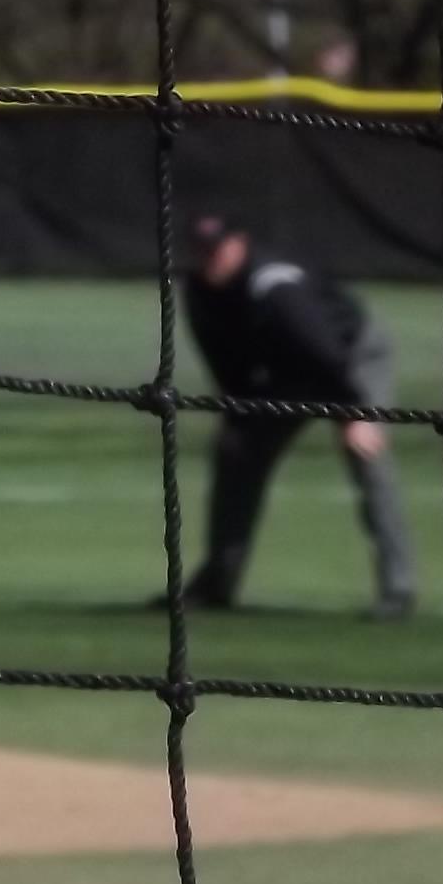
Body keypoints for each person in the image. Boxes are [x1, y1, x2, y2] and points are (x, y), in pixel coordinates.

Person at [177, 213, 413, 618]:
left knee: (366, 458)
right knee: (236, 453)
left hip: (351, 359)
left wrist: (355, 414)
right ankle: (217, 583)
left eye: (217, 249)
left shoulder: (276, 287)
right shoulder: (198, 290)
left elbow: (322, 350)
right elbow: (223, 361)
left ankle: (398, 589)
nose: (210, 259)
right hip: (286, 375)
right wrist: (238, 412)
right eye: (202, 251)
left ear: (239, 244)